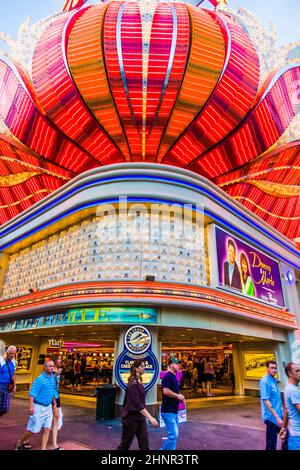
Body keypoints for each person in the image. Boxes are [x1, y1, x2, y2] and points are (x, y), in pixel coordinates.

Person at [15, 360, 57, 450]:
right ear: (44, 368)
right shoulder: (39, 379)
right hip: (38, 407)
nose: (52, 367)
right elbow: (32, 394)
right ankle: (21, 441)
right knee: (33, 430)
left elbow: (53, 392)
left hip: (48, 407)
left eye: (53, 366)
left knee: (47, 429)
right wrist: (31, 406)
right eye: (50, 366)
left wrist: (54, 404)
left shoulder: (53, 378)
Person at [116, 359, 158, 450]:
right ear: (136, 368)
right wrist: (150, 417)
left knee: (144, 445)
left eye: (144, 366)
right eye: (142, 366)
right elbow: (137, 404)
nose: (144, 368)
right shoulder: (133, 384)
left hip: (140, 418)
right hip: (130, 419)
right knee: (124, 445)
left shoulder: (139, 382)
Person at [259, 360, 287, 450]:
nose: (274, 370)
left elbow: (276, 400)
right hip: (271, 418)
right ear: (267, 368)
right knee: (271, 444)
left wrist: (281, 415)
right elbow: (266, 401)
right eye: (272, 368)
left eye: (275, 368)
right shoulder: (265, 381)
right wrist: (277, 418)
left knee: (286, 438)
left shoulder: (273, 380)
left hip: (278, 415)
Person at [160, 357, 185, 450]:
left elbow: (172, 392)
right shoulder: (167, 377)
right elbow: (165, 391)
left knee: (174, 435)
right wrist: (178, 396)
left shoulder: (174, 377)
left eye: (178, 363)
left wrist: (179, 396)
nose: (178, 365)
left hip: (173, 410)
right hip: (168, 410)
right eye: (176, 363)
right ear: (170, 365)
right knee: (173, 435)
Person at [279, 362, 300, 450]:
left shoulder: (289, 388)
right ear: (290, 373)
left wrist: (284, 428)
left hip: (295, 436)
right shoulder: (293, 390)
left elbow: (286, 410)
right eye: (297, 371)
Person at [51, 356, 64, 450]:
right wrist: (56, 374)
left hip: (56, 396)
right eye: (59, 359)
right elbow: (49, 382)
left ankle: (54, 445)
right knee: (41, 419)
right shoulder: (50, 369)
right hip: (49, 396)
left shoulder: (57, 369)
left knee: (56, 418)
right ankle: (24, 440)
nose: (60, 361)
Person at [0, 345, 17, 417]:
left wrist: (14, 385)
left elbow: (13, 374)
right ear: (7, 352)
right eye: (11, 353)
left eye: (14, 353)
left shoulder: (14, 362)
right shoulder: (1, 361)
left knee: (5, 408)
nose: (12, 355)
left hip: (7, 387)